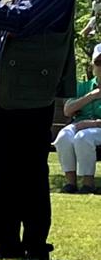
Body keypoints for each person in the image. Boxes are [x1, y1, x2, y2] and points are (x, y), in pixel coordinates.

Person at [0, 0, 77, 260]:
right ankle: (6, 241)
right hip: (4, 90)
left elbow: (23, 20)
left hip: (32, 92)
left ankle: (35, 243)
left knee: (30, 170)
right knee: (2, 167)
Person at [53, 43, 101, 194]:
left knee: (83, 137)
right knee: (63, 137)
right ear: (93, 66)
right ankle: (70, 183)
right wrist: (92, 96)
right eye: (99, 63)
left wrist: (92, 123)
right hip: (80, 125)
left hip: (97, 128)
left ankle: (88, 183)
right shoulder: (84, 87)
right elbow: (67, 110)